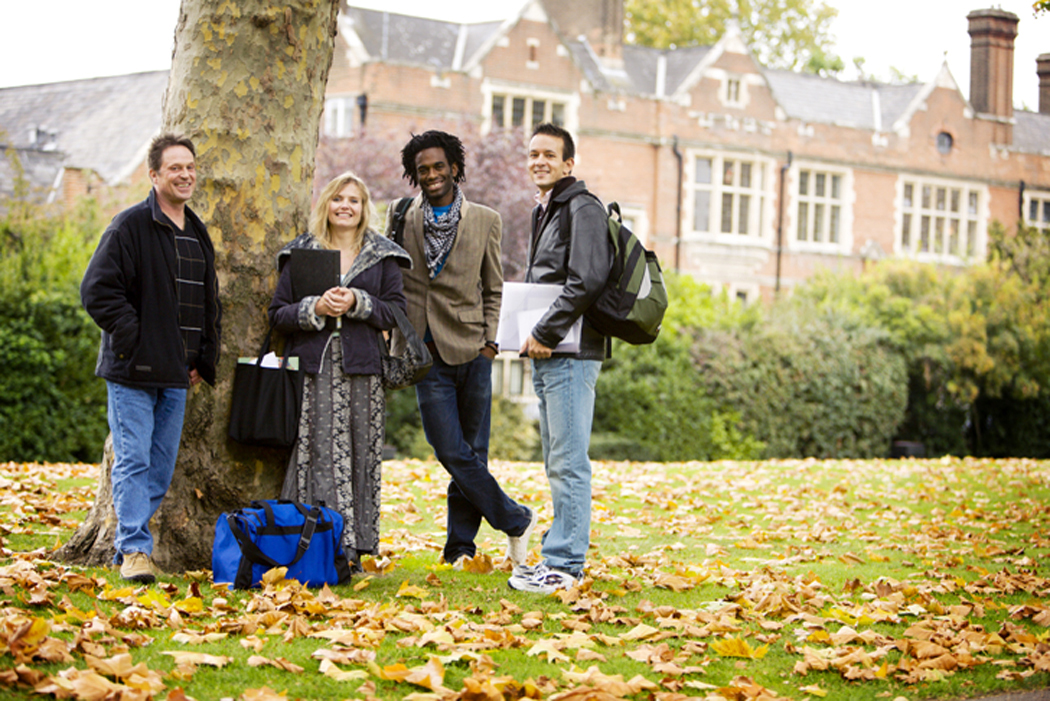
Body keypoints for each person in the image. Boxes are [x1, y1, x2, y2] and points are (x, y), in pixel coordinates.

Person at [389, 130, 536, 569]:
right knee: (450, 449)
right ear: (415, 175)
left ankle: (460, 547)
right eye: (423, 170)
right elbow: (390, 276)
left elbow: (494, 287)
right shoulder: (400, 215)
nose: (431, 175)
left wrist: (490, 344)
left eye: (438, 166)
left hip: (473, 348)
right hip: (423, 352)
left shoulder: (485, 219)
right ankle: (515, 518)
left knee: (472, 452)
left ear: (454, 168)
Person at [81, 133, 222, 584]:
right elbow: (97, 291)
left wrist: (202, 357)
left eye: (190, 167)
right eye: (175, 168)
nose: (185, 175)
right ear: (154, 175)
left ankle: (132, 541)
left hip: (178, 373)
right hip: (133, 371)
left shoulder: (197, 232)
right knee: (134, 461)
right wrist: (137, 338)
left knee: (159, 469)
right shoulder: (130, 226)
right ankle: (135, 550)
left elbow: (206, 302)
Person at [269, 171, 409, 573]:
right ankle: (318, 546)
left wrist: (358, 302)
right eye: (338, 198)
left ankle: (355, 547)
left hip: (363, 369)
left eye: (354, 200)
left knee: (361, 455)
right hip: (314, 369)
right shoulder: (302, 252)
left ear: (364, 209)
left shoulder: (382, 255)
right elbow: (277, 314)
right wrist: (314, 308)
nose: (345, 206)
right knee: (318, 454)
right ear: (326, 204)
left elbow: (396, 312)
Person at [508, 122, 613, 594]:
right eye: (533, 154)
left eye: (549, 155)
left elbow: (587, 279)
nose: (539, 161)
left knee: (569, 461)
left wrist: (543, 331)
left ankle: (566, 564)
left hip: (571, 350)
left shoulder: (582, 207)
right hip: (550, 351)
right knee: (557, 459)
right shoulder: (547, 210)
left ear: (569, 163)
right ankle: (558, 554)